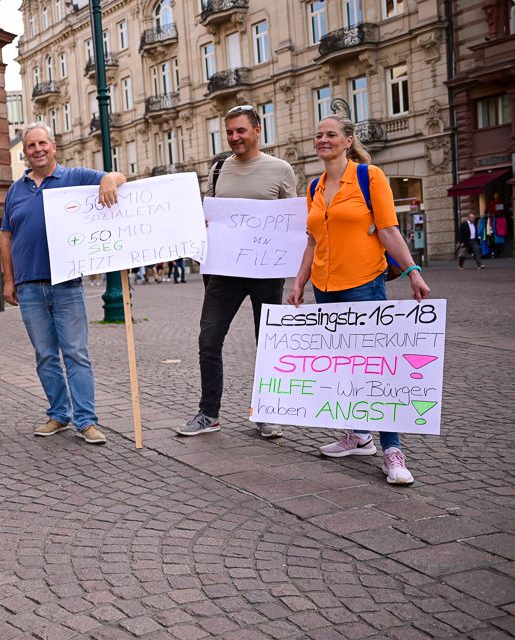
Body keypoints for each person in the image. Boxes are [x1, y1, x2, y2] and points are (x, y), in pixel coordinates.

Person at [288, 115, 431, 485]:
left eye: (331, 134)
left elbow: (387, 230)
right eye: (318, 134)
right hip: (325, 287)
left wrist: (412, 271)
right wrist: (300, 280)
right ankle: (358, 435)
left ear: (348, 140)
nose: (323, 140)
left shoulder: (370, 177)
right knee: (342, 366)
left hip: (364, 285)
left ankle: (392, 451)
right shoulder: (314, 186)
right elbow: (312, 240)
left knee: (376, 370)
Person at [0, 122, 126, 445]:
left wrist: (110, 180)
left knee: (76, 354)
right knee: (45, 355)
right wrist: (9, 280)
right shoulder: (15, 190)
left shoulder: (74, 178)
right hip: (28, 287)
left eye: (43, 143)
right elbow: (6, 237)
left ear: (53, 146)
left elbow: (116, 178)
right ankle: (59, 414)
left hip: (66, 283)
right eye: (31, 146)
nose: (37, 149)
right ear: (25, 152)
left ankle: (86, 420)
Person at [177, 105, 297, 439]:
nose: (234, 138)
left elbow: (291, 222)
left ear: (258, 130)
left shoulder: (281, 169)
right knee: (209, 339)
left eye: (240, 131)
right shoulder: (218, 171)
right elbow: (209, 215)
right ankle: (209, 413)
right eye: (229, 132)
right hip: (225, 273)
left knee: (269, 343)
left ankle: (267, 413)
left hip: (267, 272)